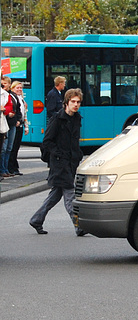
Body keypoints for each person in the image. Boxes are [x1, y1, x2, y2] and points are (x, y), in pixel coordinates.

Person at [29, 89, 86, 236]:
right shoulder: (57, 119)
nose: (76, 105)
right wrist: (59, 155)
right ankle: (78, 226)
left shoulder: (77, 118)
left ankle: (36, 219)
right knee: (70, 195)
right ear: (66, 102)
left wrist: (78, 155)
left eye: (78, 102)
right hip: (60, 164)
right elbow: (47, 142)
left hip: (71, 162)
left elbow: (75, 141)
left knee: (55, 195)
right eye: (73, 101)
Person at [0, 76, 20, 178]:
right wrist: (8, 113)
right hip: (5, 122)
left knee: (9, 148)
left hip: (11, 123)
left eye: (6, 83)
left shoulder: (10, 95)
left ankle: (6, 168)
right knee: (3, 148)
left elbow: (13, 108)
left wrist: (17, 118)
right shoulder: (4, 94)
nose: (4, 85)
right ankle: (3, 169)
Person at [8, 80, 28, 175]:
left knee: (16, 147)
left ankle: (14, 166)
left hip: (20, 124)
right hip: (16, 124)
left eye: (21, 88)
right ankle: (11, 167)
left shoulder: (21, 98)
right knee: (12, 147)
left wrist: (26, 126)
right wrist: (17, 120)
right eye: (17, 88)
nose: (20, 89)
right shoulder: (12, 97)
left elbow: (25, 114)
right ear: (12, 88)